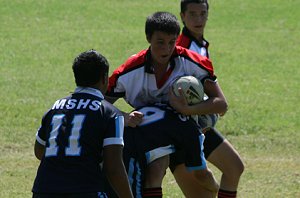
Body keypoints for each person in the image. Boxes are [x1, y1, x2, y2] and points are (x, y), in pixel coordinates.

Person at [105, 11, 226, 197]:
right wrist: (125, 116)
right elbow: (100, 105)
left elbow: (221, 105)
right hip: (152, 134)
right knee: (155, 171)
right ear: (148, 38)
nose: (166, 49)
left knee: (233, 167)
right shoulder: (130, 71)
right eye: (160, 42)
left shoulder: (191, 62)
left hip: (184, 128)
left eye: (172, 42)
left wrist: (188, 109)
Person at [32, 50, 133, 198]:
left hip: (43, 190)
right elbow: (113, 168)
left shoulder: (55, 107)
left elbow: (39, 151)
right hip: (86, 190)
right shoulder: (110, 113)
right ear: (105, 79)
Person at [175, 1, 245, 197]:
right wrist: (211, 106)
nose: (198, 19)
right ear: (182, 15)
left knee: (234, 168)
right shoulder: (183, 49)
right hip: (184, 129)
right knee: (207, 187)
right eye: (192, 14)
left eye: (203, 13)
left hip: (199, 125)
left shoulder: (200, 45)